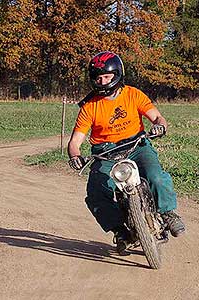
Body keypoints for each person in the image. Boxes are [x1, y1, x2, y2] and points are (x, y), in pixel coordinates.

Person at [67, 51, 185, 254]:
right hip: (105, 154)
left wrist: (159, 126)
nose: (103, 82)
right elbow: (75, 141)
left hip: (137, 146)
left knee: (156, 176)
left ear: (117, 74)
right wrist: (75, 155)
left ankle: (168, 213)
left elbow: (157, 118)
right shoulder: (89, 107)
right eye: (98, 78)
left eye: (107, 77)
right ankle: (121, 231)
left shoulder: (133, 94)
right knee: (95, 194)